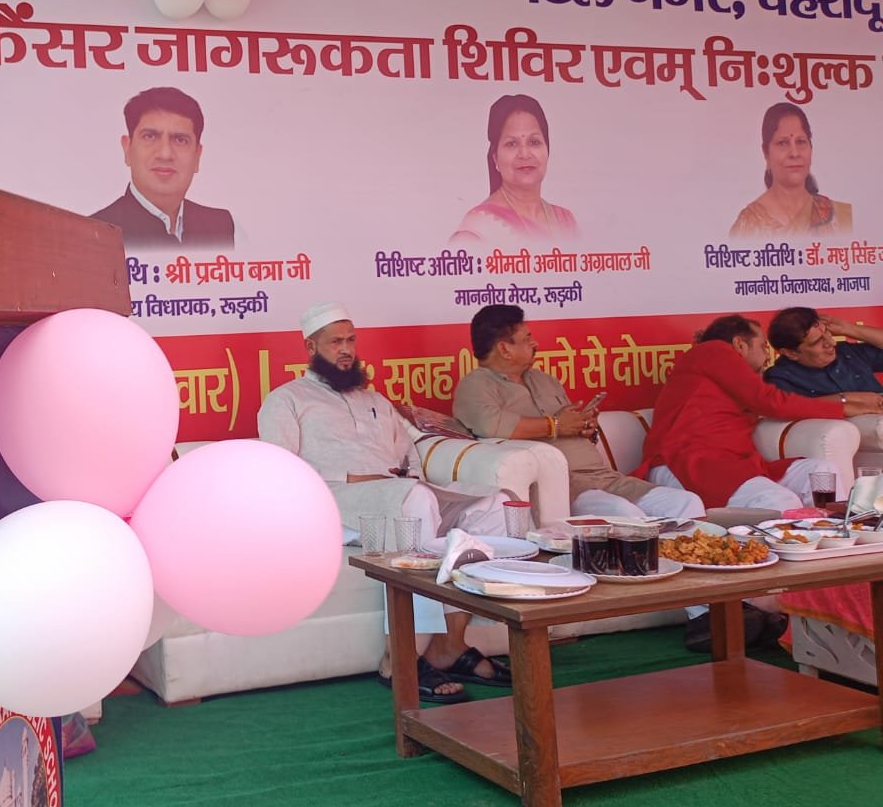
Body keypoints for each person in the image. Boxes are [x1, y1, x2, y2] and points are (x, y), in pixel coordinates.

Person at [258, 301, 511, 704]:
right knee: (414, 500)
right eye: (335, 342)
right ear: (310, 347)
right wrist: (353, 478)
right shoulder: (285, 400)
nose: (346, 349)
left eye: (351, 340)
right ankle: (400, 658)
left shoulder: (374, 400)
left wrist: (412, 479)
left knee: (494, 503)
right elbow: (280, 470)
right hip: (333, 502)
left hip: (396, 493)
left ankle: (450, 644)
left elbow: (409, 456)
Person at [453, 304, 704, 521]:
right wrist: (555, 425)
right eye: (527, 339)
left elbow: (566, 426)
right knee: (625, 515)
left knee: (686, 503)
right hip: (560, 487)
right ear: (505, 349)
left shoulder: (544, 380)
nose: (535, 344)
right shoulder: (476, 386)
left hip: (604, 477)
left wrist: (584, 427)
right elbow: (491, 426)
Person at [636, 314, 878, 512]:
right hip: (686, 463)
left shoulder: (727, 370)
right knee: (780, 501)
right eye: (762, 346)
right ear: (739, 345)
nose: (767, 355)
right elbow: (770, 402)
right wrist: (844, 406)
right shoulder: (713, 351)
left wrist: (849, 403)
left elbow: (774, 403)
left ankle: (829, 536)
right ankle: (791, 554)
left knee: (822, 471)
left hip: (736, 464)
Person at [91, 86, 235, 250]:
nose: (165, 154)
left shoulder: (220, 225)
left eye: (180, 140)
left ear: (197, 156)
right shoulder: (94, 234)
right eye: (150, 136)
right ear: (127, 149)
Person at [449, 94, 577, 245]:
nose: (524, 154)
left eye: (534, 142)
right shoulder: (476, 230)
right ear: (495, 158)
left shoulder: (565, 221)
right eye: (511, 144)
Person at [729, 104, 851, 238]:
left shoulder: (840, 218)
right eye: (783, 143)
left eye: (801, 142)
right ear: (766, 153)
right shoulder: (748, 225)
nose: (794, 153)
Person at [764, 307, 883, 400]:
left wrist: (848, 328)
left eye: (827, 332)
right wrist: (846, 400)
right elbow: (791, 411)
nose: (831, 343)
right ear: (791, 353)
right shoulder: (781, 379)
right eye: (817, 342)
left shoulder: (846, 352)